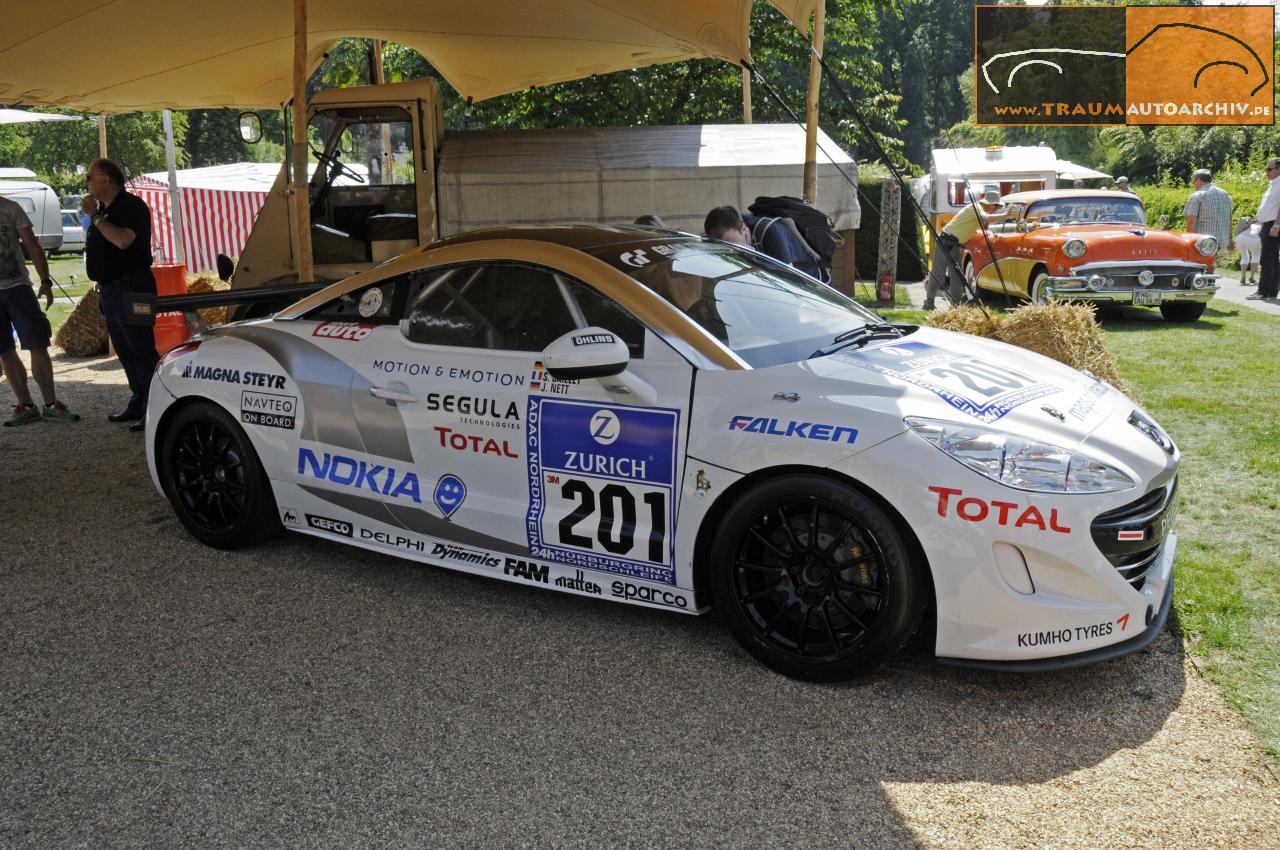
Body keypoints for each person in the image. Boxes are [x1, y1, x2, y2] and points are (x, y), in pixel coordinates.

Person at [80, 157, 159, 430]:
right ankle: (138, 401)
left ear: (106, 180)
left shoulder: (131, 207)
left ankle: (154, 407)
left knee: (141, 349)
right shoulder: (105, 209)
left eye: (89, 177)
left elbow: (123, 240)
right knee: (124, 350)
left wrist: (96, 217)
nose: (87, 183)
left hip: (133, 286)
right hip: (112, 289)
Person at [0, 195, 80, 426]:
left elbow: (33, 246)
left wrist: (45, 281)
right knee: (4, 349)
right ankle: (26, 405)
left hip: (18, 288)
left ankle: (50, 404)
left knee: (37, 343)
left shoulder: (11, 208)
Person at [922, 188, 1006, 310]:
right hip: (947, 241)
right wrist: (1005, 215)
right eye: (997, 207)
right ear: (991, 204)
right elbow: (985, 218)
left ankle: (956, 306)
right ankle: (929, 303)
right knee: (938, 273)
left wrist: (962, 246)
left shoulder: (979, 209)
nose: (996, 209)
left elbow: (966, 229)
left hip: (956, 244)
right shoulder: (976, 208)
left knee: (957, 275)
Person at [703, 205, 825, 281]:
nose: (732, 250)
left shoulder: (773, 233)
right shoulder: (736, 229)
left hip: (811, 284)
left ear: (744, 229)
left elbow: (787, 279)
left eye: (733, 243)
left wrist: (750, 257)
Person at [1183, 168, 1233, 269]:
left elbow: (1191, 221)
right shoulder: (1225, 194)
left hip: (1201, 242)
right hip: (1217, 241)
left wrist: (1187, 241)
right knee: (1210, 264)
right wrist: (1230, 238)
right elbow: (1229, 218)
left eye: (1193, 181)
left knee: (1198, 267)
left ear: (1198, 180)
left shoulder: (1198, 196)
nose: (1193, 184)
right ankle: (1210, 281)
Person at [1250, 157, 1280, 301]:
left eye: (1269, 169)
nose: (1266, 172)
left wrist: (1276, 225)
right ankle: (1272, 291)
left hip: (1274, 225)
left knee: (1267, 259)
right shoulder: (1273, 184)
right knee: (1273, 259)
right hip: (1268, 224)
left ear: (1278, 169)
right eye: (1266, 169)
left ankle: (1262, 291)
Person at [1235, 216, 1261, 285]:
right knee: (1255, 256)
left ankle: (1243, 277)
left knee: (1244, 257)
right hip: (1253, 239)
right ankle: (1251, 278)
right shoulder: (1261, 226)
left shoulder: (1250, 225)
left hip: (1240, 238)